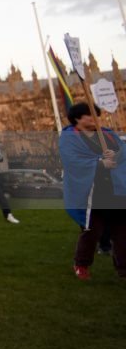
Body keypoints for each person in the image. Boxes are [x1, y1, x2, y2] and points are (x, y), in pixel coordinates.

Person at [59, 102, 126, 280]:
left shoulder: (107, 135)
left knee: (121, 230)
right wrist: (99, 163)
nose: (94, 118)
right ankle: (81, 264)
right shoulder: (69, 137)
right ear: (77, 119)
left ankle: (123, 267)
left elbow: (122, 152)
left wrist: (116, 157)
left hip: (114, 189)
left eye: (96, 114)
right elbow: (72, 161)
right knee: (92, 230)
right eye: (89, 115)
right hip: (91, 191)